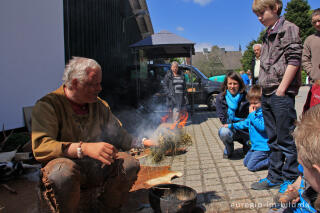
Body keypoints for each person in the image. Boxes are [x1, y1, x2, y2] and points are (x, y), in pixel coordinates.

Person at [32, 57, 155, 213]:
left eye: (99, 83)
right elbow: (41, 146)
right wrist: (82, 149)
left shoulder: (98, 105)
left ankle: (106, 208)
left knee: (129, 164)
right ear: (75, 83)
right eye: (93, 84)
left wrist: (146, 142)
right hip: (67, 168)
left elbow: (119, 135)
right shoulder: (48, 106)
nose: (99, 88)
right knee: (61, 174)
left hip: (94, 166)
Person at [250, 0, 302, 194]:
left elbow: (294, 60)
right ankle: (274, 176)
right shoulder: (267, 33)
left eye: (262, 12)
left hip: (281, 94)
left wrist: (282, 89)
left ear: (275, 8)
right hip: (268, 93)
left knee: (285, 139)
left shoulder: (288, 28)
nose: (259, 17)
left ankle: (290, 181)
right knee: (272, 139)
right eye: (257, 14)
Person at [270, 105, 320, 213]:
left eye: (301, 163)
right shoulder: (312, 167)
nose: (300, 166)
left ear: (317, 170)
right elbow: (302, 178)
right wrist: (294, 190)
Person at [223, 85, 269, 171]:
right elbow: (246, 123)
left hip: (263, 147)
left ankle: (272, 161)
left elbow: (262, 127)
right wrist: (231, 125)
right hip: (255, 146)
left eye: (255, 103)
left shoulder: (263, 113)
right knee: (245, 162)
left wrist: (252, 114)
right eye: (251, 103)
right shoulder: (254, 113)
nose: (252, 106)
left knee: (251, 167)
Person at [216, 71, 250, 159]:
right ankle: (229, 146)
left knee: (250, 153)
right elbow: (223, 120)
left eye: (235, 84)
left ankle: (247, 145)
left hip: (246, 130)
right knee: (224, 132)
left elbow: (250, 119)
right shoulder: (220, 98)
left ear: (240, 84)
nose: (232, 86)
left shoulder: (247, 97)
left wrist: (236, 123)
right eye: (230, 83)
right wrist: (237, 122)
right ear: (226, 84)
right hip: (231, 128)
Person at [302, 8, 320, 112]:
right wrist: (312, 73)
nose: (317, 24)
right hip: (317, 84)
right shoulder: (310, 40)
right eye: (314, 22)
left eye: (319, 20)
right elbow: (304, 59)